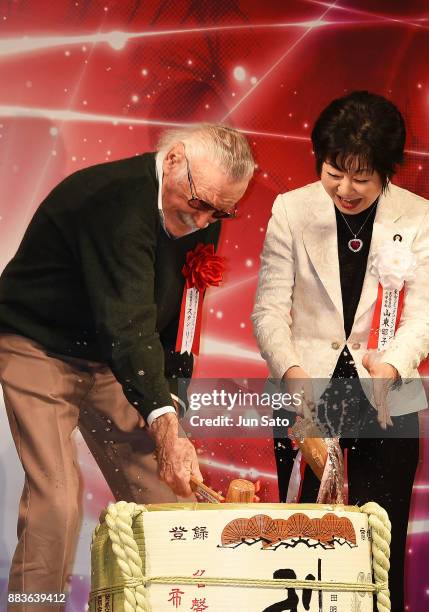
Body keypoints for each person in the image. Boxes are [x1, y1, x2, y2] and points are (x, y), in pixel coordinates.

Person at [0, 123, 254, 609]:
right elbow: (128, 322)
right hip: (38, 342)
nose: (204, 221)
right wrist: (162, 424)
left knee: (172, 495)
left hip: (113, 355)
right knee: (57, 501)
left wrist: (172, 409)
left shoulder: (204, 207)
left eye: (221, 211)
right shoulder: (114, 201)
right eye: (198, 203)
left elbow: (177, 319)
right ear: (174, 159)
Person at [252, 91, 429, 610]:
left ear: (387, 171)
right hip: (306, 387)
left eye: (362, 178)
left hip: (387, 394)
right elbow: (268, 310)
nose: (345, 189)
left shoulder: (418, 217)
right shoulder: (291, 209)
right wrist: (292, 373)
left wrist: (392, 364)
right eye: (334, 172)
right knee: (300, 536)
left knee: (380, 541)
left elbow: (423, 314)